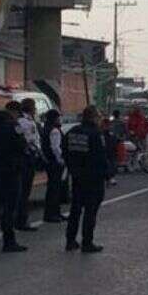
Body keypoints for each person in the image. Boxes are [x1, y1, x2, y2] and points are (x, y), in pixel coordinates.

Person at [0, 101, 29, 252]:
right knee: (9, 207)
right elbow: (22, 145)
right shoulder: (13, 127)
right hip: (11, 170)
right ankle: (9, 241)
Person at [64, 105, 110, 252]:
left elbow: (65, 151)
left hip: (77, 176)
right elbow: (100, 156)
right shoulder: (96, 134)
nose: (100, 119)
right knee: (90, 211)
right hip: (93, 177)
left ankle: (70, 241)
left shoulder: (73, 131)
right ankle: (87, 242)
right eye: (99, 116)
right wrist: (108, 175)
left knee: (75, 210)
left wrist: (73, 168)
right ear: (93, 117)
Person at [13, 98, 42, 233]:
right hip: (26, 158)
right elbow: (29, 140)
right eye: (34, 107)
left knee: (25, 191)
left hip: (29, 156)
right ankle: (21, 220)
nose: (36, 109)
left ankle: (21, 218)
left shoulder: (27, 121)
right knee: (24, 191)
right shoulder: (24, 122)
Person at [40, 109, 66, 223]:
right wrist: (61, 160)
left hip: (49, 161)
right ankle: (52, 213)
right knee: (55, 188)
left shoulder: (45, 128)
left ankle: (55, 212)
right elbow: (56, 148)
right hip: (55, 162)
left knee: (53, 188)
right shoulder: (55, 130)